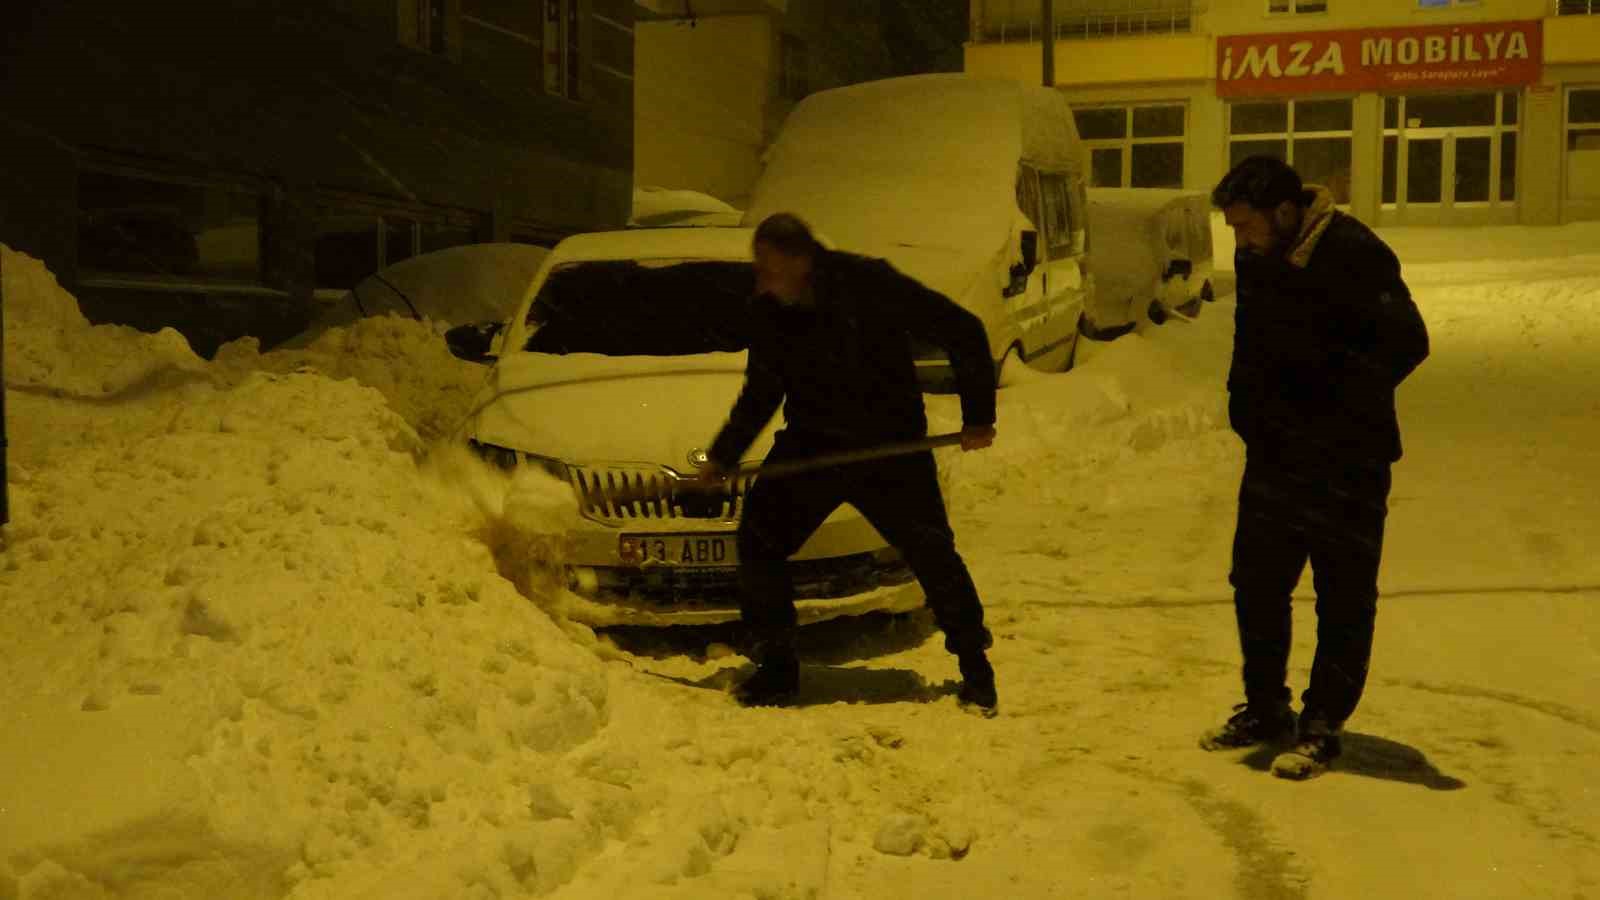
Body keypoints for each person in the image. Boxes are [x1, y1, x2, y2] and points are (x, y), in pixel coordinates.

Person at [702, 213, 1000, 713]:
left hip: (888, 448)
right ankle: (778, 671)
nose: (762, 281)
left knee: (931, 552)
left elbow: (962, 329)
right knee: (759, 539)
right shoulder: (772, 310)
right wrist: (724, 456)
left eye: (769, 269)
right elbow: (761, 392)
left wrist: (978, 416)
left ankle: (977, 670)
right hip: (813, 448)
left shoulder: (870, 283)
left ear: (802, 261)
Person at [1202, 156, 1430, 779]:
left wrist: (1329, 400)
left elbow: (1409, 341)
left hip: (1346, 460)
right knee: (1256, 584)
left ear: (1284, 212)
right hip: (1275, 456)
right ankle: (1267, 707)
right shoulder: (1257, 258)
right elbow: (1249, 343)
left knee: (1343, 595)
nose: (1239, 241)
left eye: (1246, 226)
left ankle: (1323, 722)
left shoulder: (1354, 252)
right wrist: (1245, 408)